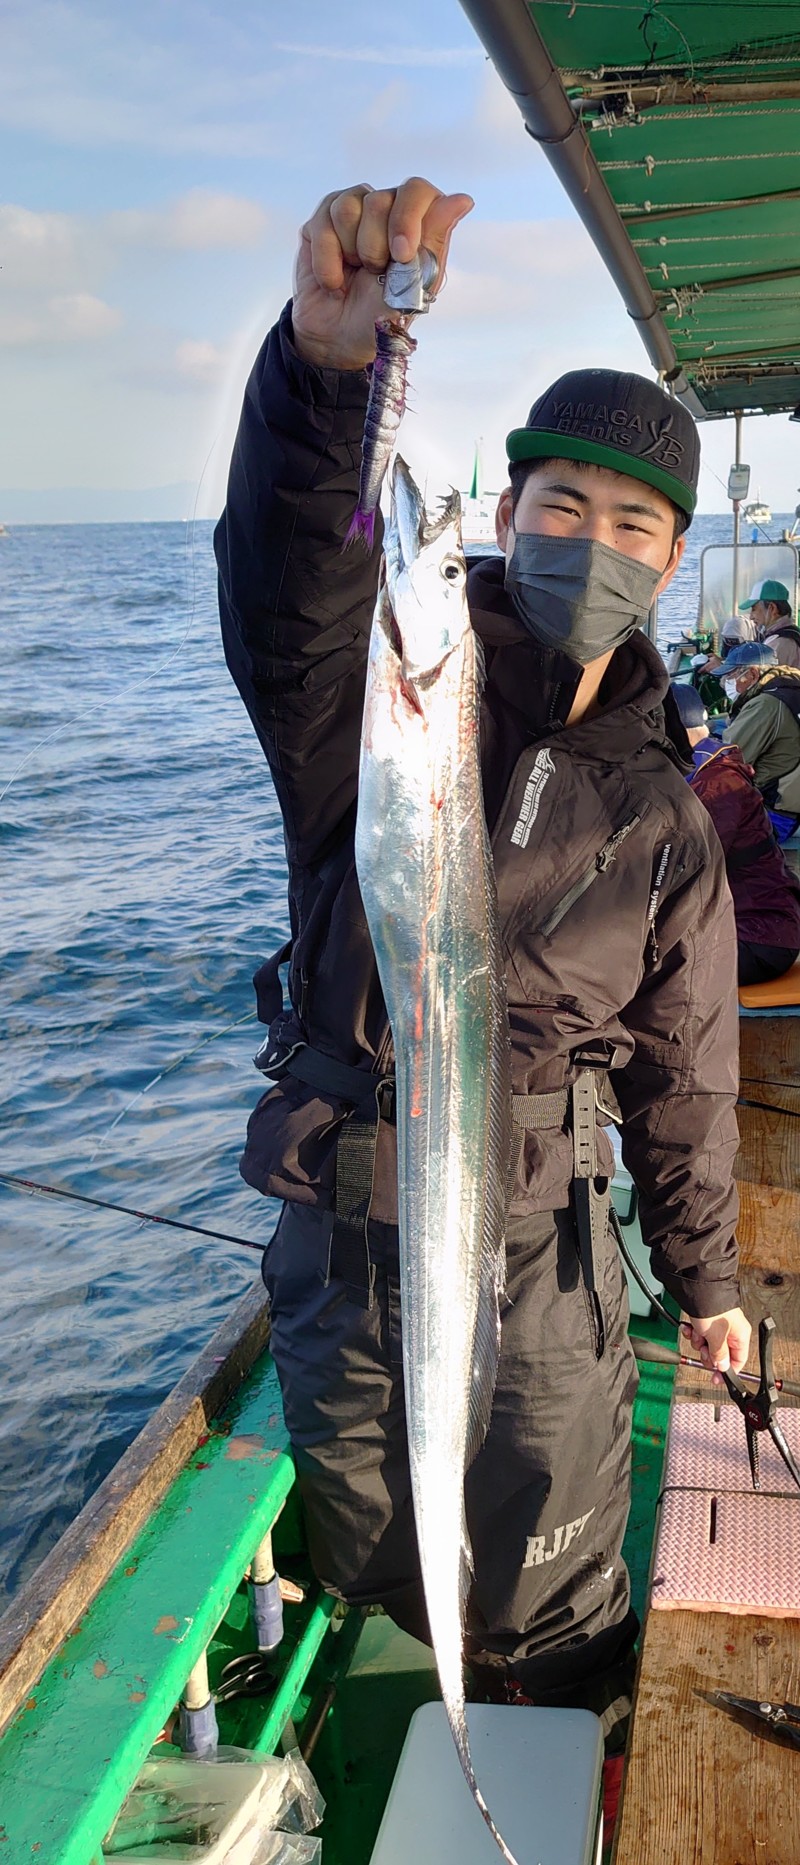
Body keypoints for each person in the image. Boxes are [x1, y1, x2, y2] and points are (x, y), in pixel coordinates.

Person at [215, 178, 750, 1744]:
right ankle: (419, 1701)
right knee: (369, 1529)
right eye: (560, 505)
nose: (593, 541)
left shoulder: (664, 819)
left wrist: (709, 1284)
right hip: (345, 1222)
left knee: (550, 1553)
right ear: (510, 518)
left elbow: (682, 1079)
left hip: (539, 1246)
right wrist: (328, 373)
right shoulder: (372, 712)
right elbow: (291, 591)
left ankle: (548, 1712)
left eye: (633, 522)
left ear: (670, 557)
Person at [672, 683, 800, 984]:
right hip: (755, 928)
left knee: (639, 972)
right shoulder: (711, 770)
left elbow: (684, 866)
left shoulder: (716, 785)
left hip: (759, 939)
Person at [719, 640, 800, 831]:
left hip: (775, 814)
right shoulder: (789, 686)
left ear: (753, 674)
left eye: (732, 675)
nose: (727, 682)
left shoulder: (766, 704)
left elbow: (731, 758)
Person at [740, 577, 800, 669]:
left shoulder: (779, 643)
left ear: (772, 608)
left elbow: (751, 675)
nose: (751, 617)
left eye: (754, 609)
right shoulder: (786, 635)